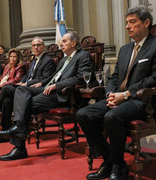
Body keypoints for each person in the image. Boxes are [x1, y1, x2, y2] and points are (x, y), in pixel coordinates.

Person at [76, 6, 156, 180]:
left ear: (146, 23)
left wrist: (126, 94)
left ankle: (119, 167)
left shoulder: (154, 46)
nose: (128, 26)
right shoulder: (125, 49)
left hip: (141, 100)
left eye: (132, 22)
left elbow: (153, 78)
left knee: (111, 117)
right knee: (83, 114)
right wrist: (110, 94)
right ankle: (109, 161)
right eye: (126, 22)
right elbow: (114, 77)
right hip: (119, 98)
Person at [0, 31, 93, 161]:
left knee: (24, 103)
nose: (61, 43)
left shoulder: (83, 56)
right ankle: (19, 130)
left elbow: (81, 77)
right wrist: (42, 83)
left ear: (73, 43)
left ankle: (19, 145)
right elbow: (54, 77)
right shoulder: (64, 59)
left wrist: (57, 86)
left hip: (62, 94)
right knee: (21, 90)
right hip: (48, 89)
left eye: (64, 41)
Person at [0, 36, 56, 142]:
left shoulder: (48, 61)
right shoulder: (33, 61)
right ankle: (4, 133)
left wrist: (26, 83)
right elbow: (27, 75)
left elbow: (45, 78)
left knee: (6, 89)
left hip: (35, 89)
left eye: (38, 45)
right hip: (25, 88)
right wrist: (23, 82)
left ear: (43, 47)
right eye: (34, 45)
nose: (36, 47)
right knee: (7, 101)